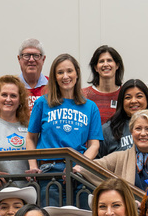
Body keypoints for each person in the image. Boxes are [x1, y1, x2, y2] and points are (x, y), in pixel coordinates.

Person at [26, 53, 102, 206]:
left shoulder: (90, 107)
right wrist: (33, 166)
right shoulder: (42, 103)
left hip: (79, 171)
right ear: (54, 77)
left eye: (69, 71)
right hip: (50, 170)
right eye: (60, 72)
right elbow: (30, 138)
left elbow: (94, 144)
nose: (65, 76)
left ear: (77, 73)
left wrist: (80, 166)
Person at [84, 110, 148, 191]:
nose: (143, 133)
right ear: (131, 132)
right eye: (138, 129)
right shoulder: (118, 158)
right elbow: (88, 169)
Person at [100, 79, 148, 157]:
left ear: (147, 100)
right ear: (121, 102)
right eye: (128, 97)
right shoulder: (108, 131)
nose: (133, 101)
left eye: (139, 96)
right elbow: (95, 164)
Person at [83, 45, 124, 123]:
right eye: (101, 61)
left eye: (109, 60)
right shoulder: (84, 95)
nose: (105, 64)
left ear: (117, 65)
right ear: (95, 67)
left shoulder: (125, 94)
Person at [17, 38, 48, 108]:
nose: (31, 59)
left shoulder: (53, 86)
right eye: (26, 55)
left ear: (43, 59)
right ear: (19, 59)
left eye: (36, 56)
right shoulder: (11, 87)